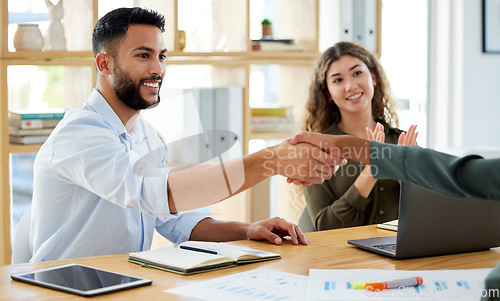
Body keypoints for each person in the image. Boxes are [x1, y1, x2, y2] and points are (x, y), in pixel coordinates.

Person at [29, 7, 342, 262]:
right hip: (61, 290)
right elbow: (154, 193)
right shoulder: (80, 132)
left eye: (161, 56)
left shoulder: (145, 135)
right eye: (143, 56)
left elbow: (175, 220)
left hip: (116, 284)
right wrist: (270, 161)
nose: (158, 69)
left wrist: (248, 229)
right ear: (104, 63)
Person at [287, 132, 500, 300]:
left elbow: (452, 183)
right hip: (345, 264)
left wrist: (405, 178)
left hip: (403, 265)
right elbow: (462, 175)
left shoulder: (398, 137)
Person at [299, 41, 417, 231]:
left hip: (400, 255)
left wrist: (406, 181)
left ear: (373, 78)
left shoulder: (401, 142)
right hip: (343, 258)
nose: (351, 86)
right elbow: (325, 226)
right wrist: (369, 173)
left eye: (357, 73)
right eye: (338, 80)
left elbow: (427, 214)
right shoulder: (316, 148)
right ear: (328, 93)